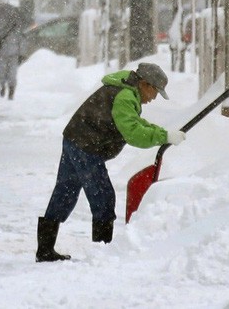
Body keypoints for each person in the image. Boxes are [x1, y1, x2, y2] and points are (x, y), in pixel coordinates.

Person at [36, 63, 186, 262]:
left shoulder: (126, 91)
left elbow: (136, 123)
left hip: (75, 138)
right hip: (86, 145)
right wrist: (164, 136)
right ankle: (102, 253)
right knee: (103, 197)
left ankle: (45, 250)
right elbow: (133, 133)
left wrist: (163, 133)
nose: (153, 98)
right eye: (155, 92)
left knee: (66, 191)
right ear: (144, 84)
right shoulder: (124, 97)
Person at [0, 20, 22, 100]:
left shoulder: (17, 29)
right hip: (2, 54)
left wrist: (21, 53)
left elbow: (21, 41)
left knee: (12, 74)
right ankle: (2, 86)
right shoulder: (0, 27)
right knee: (1, 73)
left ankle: (11, 90)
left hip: (13, 55)